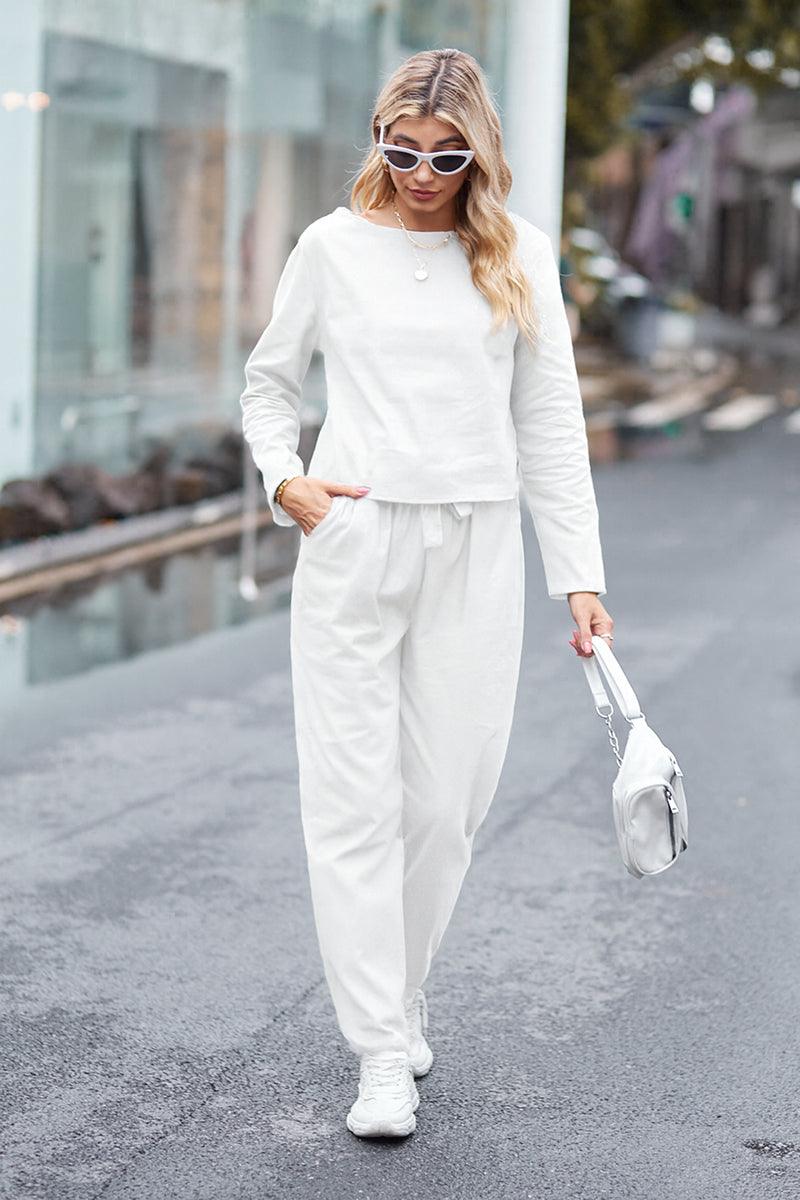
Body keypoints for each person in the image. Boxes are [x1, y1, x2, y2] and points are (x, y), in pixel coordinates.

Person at [239, 47, 614, 1140]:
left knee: (447, 806)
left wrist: (579, 576)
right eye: (399, 151)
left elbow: (549, 423)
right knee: (352, 805)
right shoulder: (330, 247)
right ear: (378, 140)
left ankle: (402, 998)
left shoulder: (517, 254)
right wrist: (287, 484)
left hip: (474, 544)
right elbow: (269, 384)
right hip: (354, 538)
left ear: (477, 154)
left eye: (446, 157)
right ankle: (377, 1053)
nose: (419, 174)